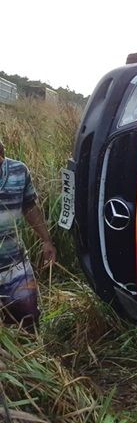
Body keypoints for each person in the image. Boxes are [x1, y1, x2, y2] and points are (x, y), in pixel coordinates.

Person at [0, 139, 56, 328]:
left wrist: (46, 240)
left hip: (15, 264)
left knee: (29, 318)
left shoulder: (18, 171)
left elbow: (29, 206)